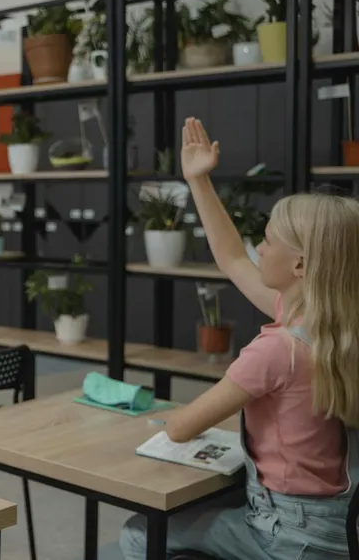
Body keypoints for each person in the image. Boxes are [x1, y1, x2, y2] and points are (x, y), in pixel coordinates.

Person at [119, 118, 359, 560]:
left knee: (138, 534)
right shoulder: (336, 324)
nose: (259, 249)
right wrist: (198, 180)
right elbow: (231, 257)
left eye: (267, 242)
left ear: (301, 266)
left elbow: (180, 427)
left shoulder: (277, 349)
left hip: (286, 536)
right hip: (339, 527)